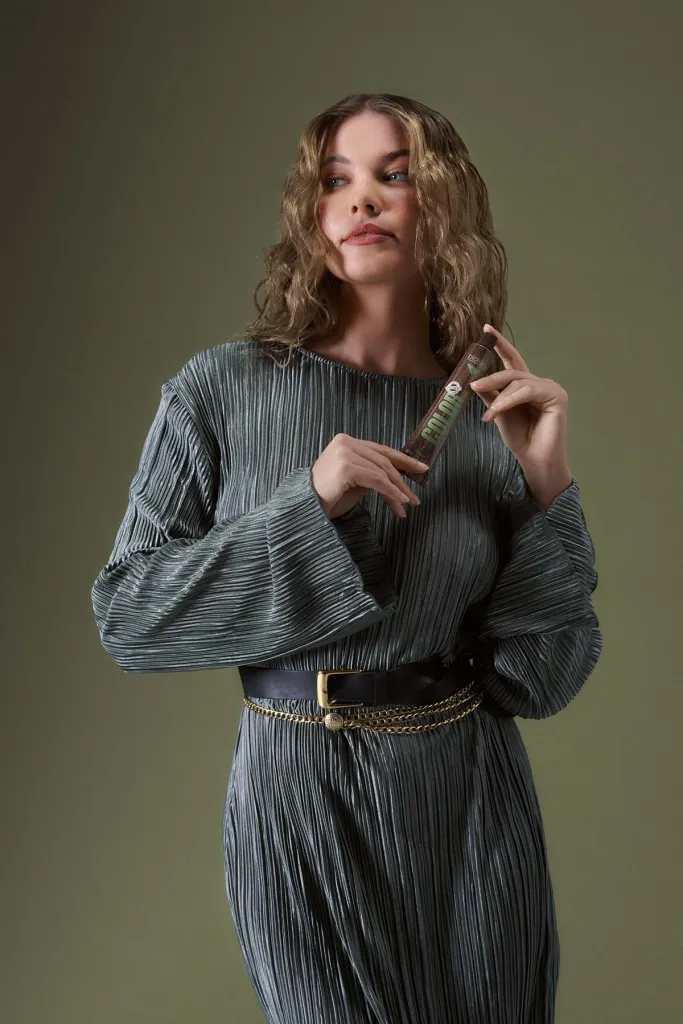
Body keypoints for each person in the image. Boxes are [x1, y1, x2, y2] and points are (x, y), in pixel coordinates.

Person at [91, 92, 603, 1023]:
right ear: (310, 209)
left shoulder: (489, 411)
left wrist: (546, 482)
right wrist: (311, 506)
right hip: (296, 793)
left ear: (443, 203)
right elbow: (130, 618)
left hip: (470, 801)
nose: (360, 199)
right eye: (335, 179)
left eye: (393, 176)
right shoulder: (220, 389)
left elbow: (544, 675)